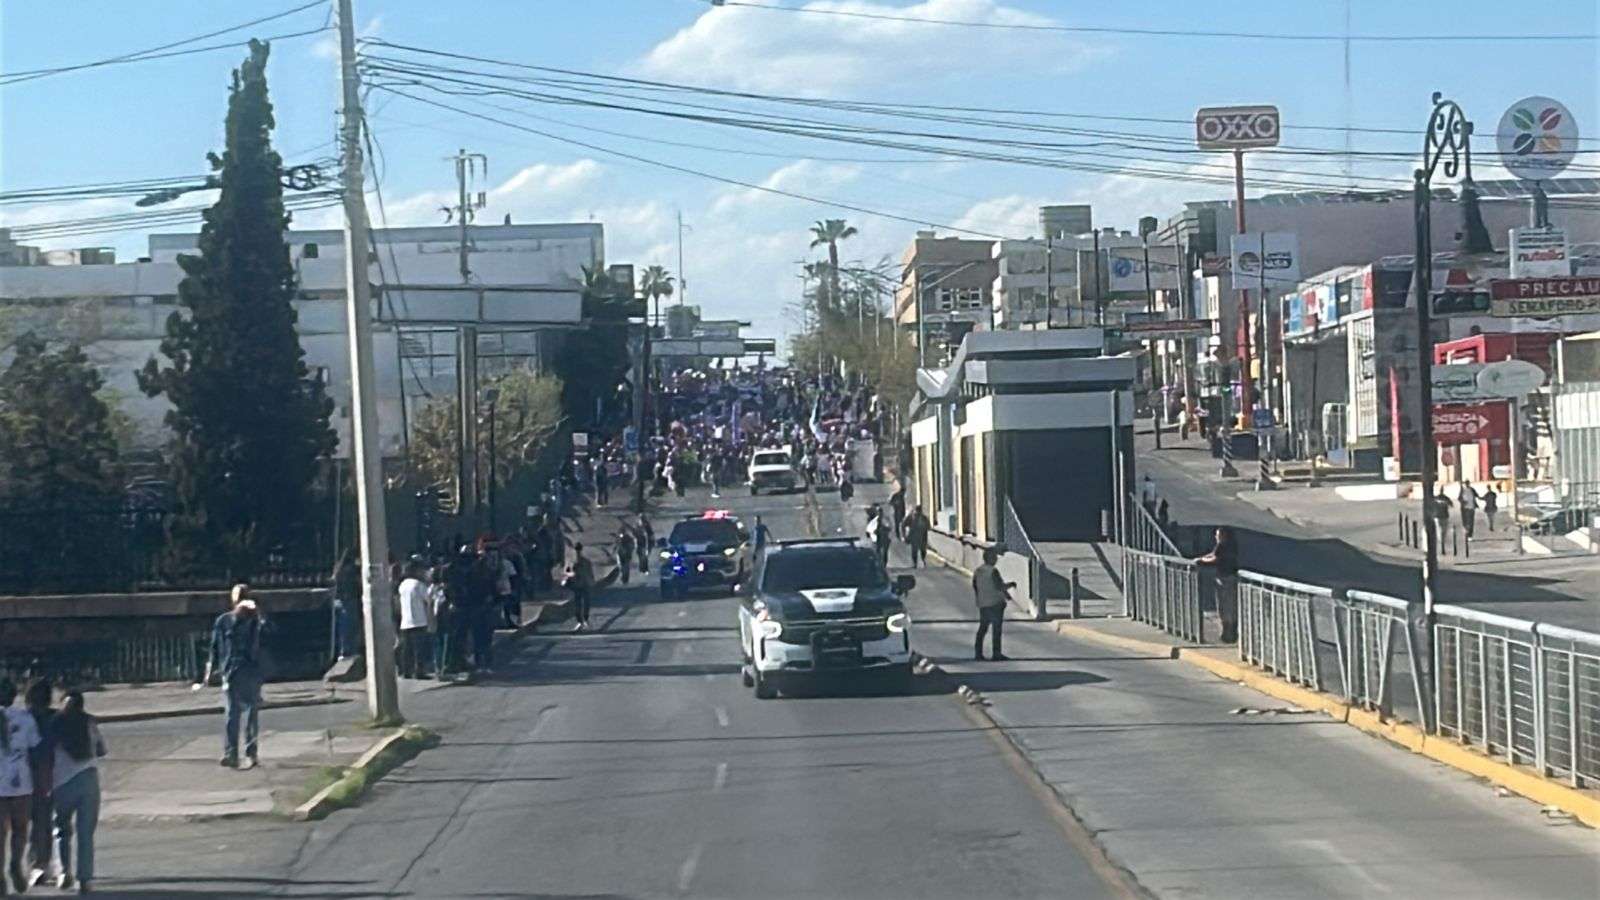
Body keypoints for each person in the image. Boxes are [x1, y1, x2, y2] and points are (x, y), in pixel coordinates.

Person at [49, 691, 105, 895]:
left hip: (62, 781)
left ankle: (64, 872)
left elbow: (46, 751)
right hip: (88, 779)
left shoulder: (55, 723)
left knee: (61, 829)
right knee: (85, 833)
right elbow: (101, 749)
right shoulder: (89, 722)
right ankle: (85, 879)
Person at [205, 585, 265, 768]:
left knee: (249, 712)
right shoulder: (224, 621)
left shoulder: (255, 621)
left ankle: (249, 752)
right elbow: (215, 647)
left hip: (249, 670)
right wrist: (211, 670)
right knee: (234, 713)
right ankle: (232, 752)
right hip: (232, 670)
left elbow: (261, 643)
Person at [0, 679, 41, 894]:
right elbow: (35, 746)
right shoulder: (25, 718)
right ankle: (16, 862)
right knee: (20, 829)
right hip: (20, 781)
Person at [23, 679, 54, 891]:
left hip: (21, 776)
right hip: (46, 773)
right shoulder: (54, 718)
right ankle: (40, 863)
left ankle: (33, 862)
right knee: (43, 823)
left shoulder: (22, 718)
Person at [1195, 527, 1240, 643]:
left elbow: (1215, 558)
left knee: (1224, 605)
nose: (1216, 537)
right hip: (1231, 577)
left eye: (1218, 535)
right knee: (1230, 605)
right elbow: (1213, 554)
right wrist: (1204, 558)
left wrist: (1202, 561)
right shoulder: (1230, 546)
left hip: (1224, 578)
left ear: (1223, 536)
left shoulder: (1222, 546)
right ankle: (1231, 632)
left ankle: (1227, 632)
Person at [971, 549, 1012, 661]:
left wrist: (979, 598)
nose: (996, 559)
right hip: (995, 603)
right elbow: (999, 586)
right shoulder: (993, 571)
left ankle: (978, 653)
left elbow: (975, 586)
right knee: (996, 629)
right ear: (990, 558)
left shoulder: (978, 571)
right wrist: (1010, 586)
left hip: (983, 604)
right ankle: (996, 653)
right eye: (994, 557)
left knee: (982, 628)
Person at [396, 561, 435, 679]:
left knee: (407, 649)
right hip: (419, 620)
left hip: (405, 621)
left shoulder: (402, 585)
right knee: (419, 649)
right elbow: (428, 600)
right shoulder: (418, 585)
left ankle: (406, 671)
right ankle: (419, 671)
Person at [330, 550, 359, 659]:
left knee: (343, 627)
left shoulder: (337, 571)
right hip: (348, 599)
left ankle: (343, 650)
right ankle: (348, 650)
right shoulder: (349, 571)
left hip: (341, 600)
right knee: (350, 626)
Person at [567, 543, 596, 631]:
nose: (577, 552)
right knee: (579, 603)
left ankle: (584, 620)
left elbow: (590, 573)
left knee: (584, 603)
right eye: (577, 550)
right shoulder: (573, 563)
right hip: (578, 585)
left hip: (583, 584)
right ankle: (581, 621)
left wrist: (591, 581)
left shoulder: (583, 562)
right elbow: (568, 573)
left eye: (578, 550)